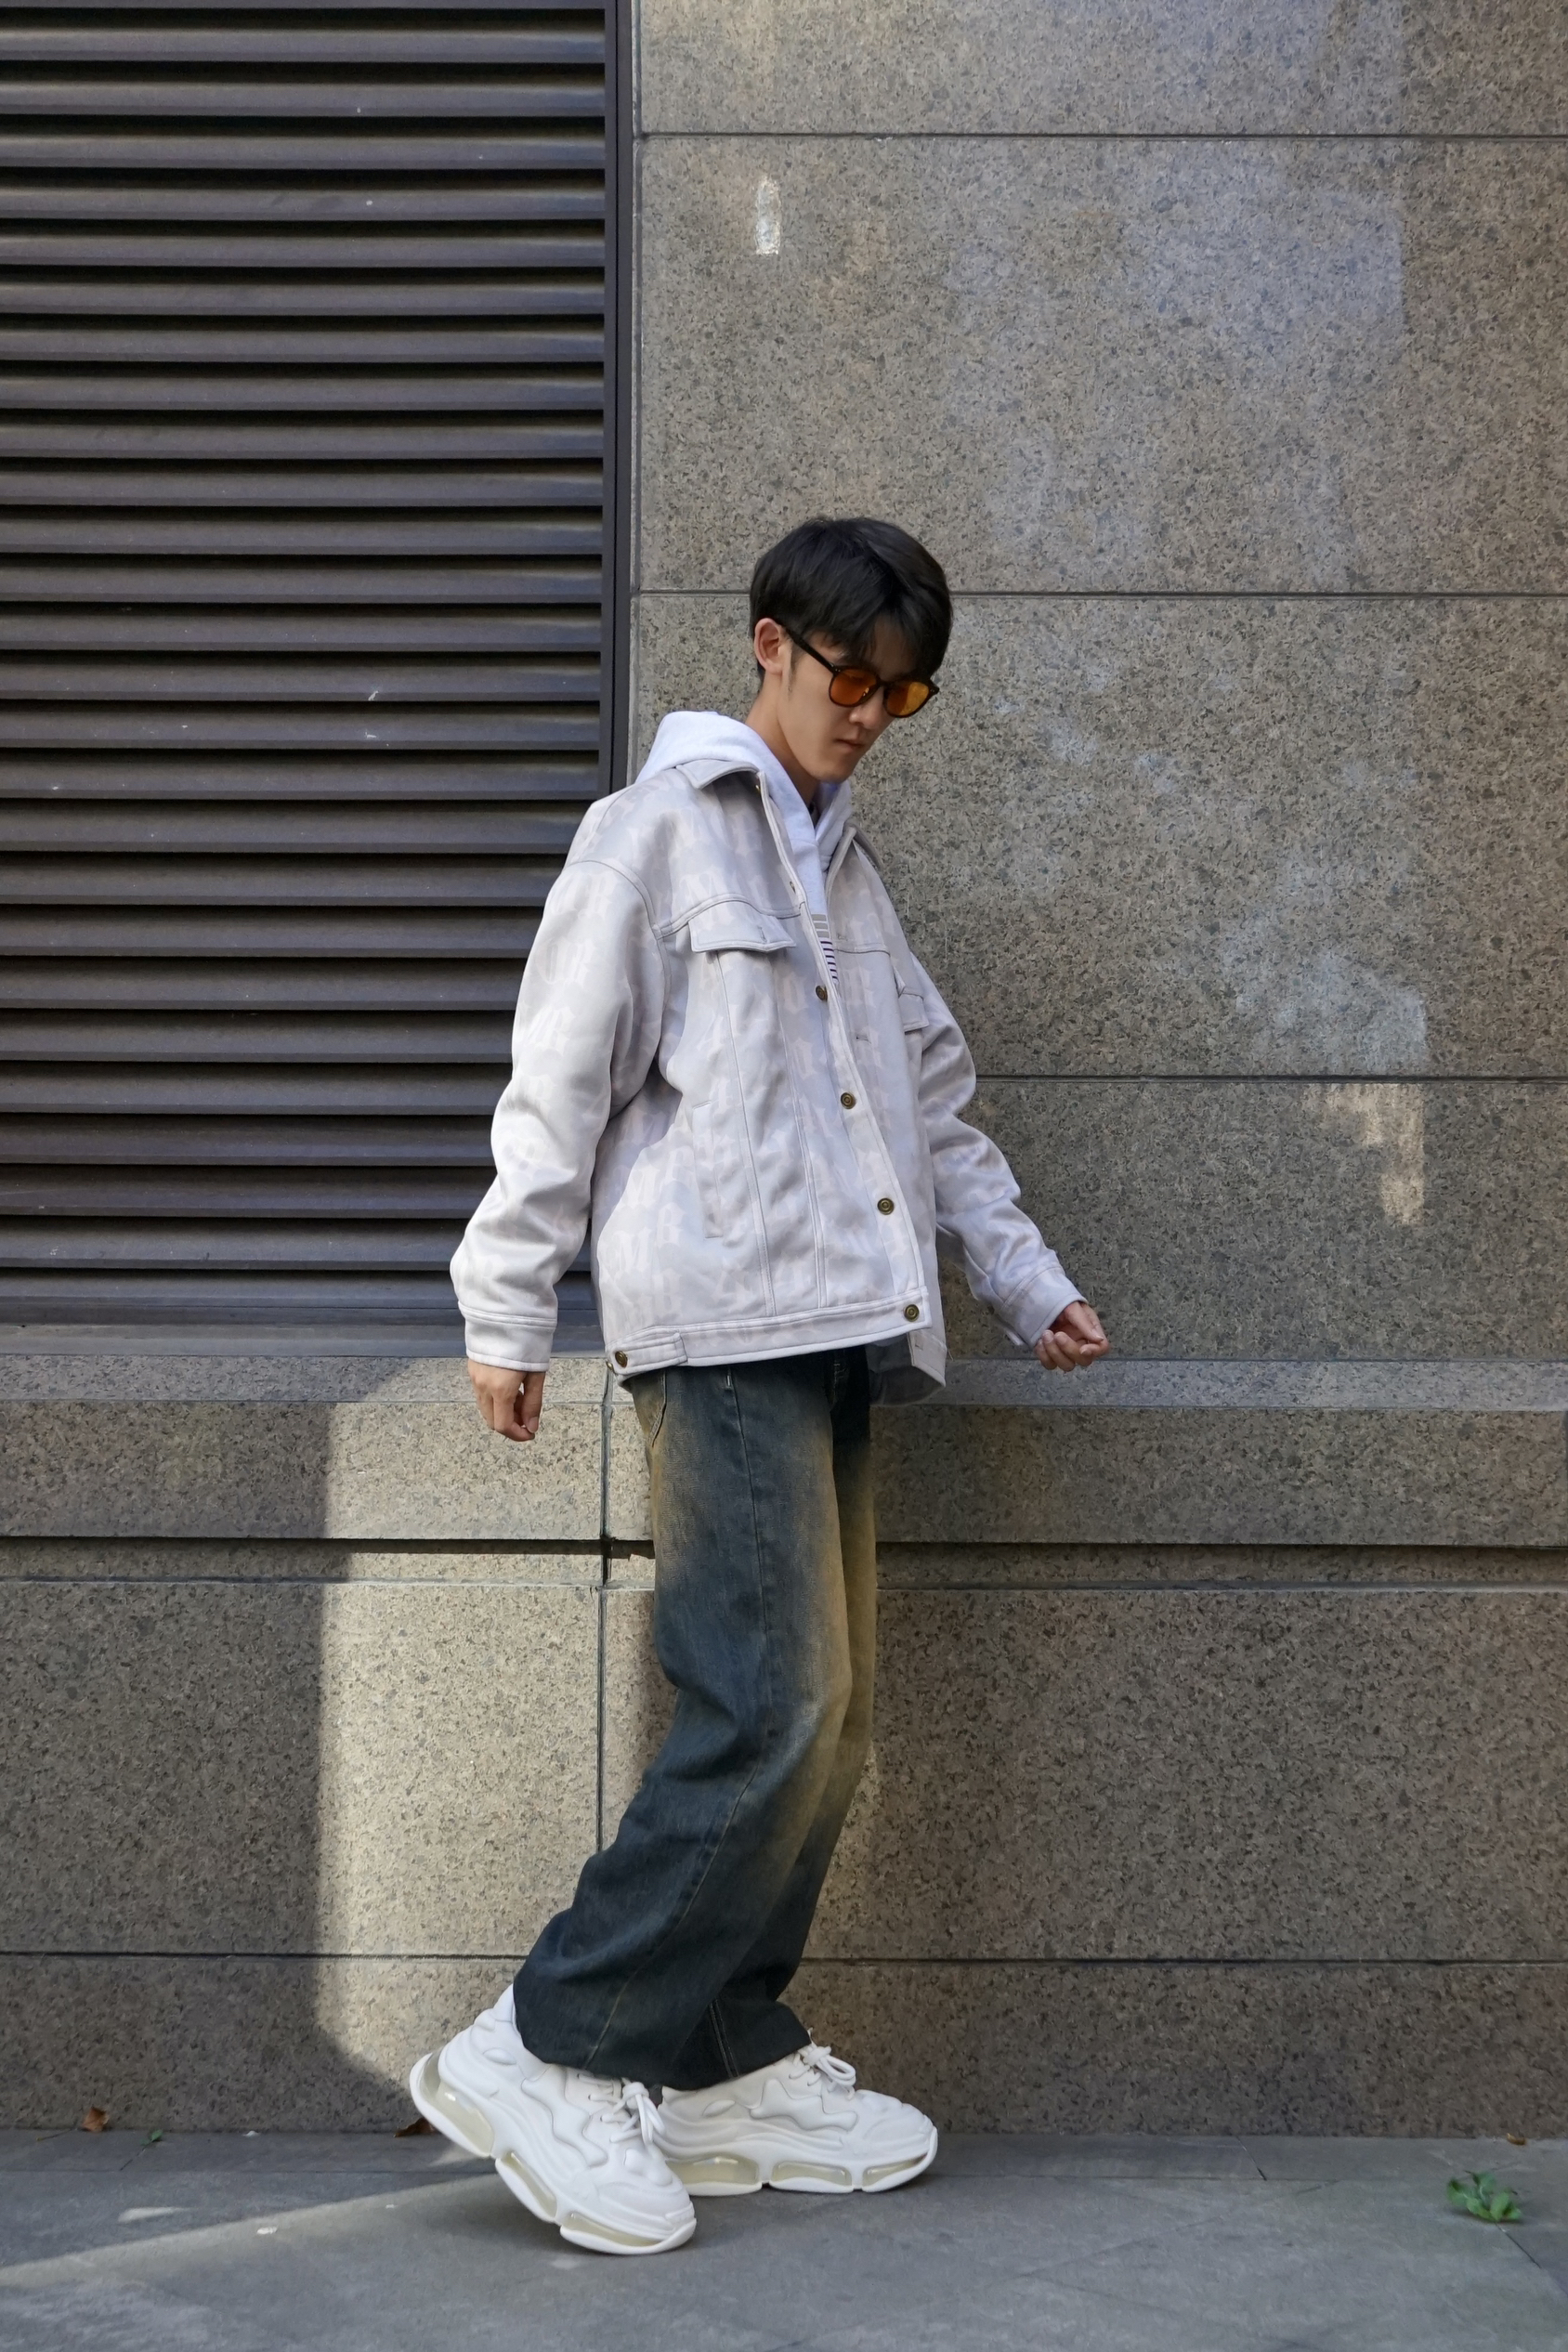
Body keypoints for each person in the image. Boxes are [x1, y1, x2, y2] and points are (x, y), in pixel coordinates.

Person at [411, 516, 1110, 2254]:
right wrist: (507, 1304)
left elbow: (932, 1107)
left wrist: (1027, 1280)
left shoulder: (849, 877)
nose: (868, 713)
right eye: (849, 675)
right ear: (767, 646)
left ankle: (721, 2058)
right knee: (768, 1704)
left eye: (904, 692)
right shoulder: (651, 836)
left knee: (832, 1722)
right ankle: (551, 2044)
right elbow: (557, 1081)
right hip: (718, 1320)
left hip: (840, 1325)